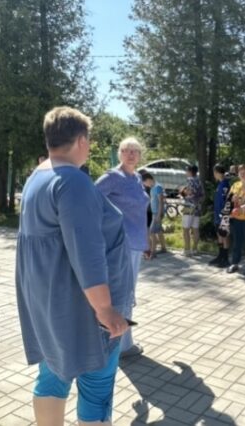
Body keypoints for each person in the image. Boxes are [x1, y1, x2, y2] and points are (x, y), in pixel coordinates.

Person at [15, 106, 131, 425]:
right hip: (84, 310)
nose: (89, 147)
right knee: (96, 385)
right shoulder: (73, 182)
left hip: (51, 305)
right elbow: (86, 251)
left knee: (52, 376)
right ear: (81, 140)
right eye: (89, 141)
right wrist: (105, 309)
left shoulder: (38, 177)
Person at [96, 137, 150, 360]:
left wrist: (146, 242)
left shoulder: (136, 178)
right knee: (122, 293)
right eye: (126, 150)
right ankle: (120, 345)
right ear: (119, 154)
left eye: (135, 151)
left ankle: (122, 341)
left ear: (140, 156)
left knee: (128, 292)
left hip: (136, 244)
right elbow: (90, 201)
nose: (130, 154)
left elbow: (139, 213)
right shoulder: (112, 177)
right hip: (120, 244)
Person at [226, 165, 245, 274]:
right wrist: (232, 200)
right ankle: (235, 263)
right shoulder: (235, 185)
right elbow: (228, 200)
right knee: (236, 241)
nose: (242, 174)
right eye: (240, 172)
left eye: (244, 172)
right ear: (237, 174)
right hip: (236, 217)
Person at [209, 164, 232, 268]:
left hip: (224, 214)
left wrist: (225, 214)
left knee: (224, 235)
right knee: (219, 234)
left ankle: (225, 258)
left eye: (214, 172)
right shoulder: (220, 184)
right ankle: (220, 255)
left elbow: (227, 201)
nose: (214, 174)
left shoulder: (225, 185)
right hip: (217, 214)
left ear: (217, 173)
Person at [180, 165, 205, 256]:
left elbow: (189, 193)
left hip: (189, 206)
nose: (186, 172)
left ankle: (187, 250)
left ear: (190, 171)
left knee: (185, 229)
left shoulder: (189, 180)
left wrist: (182, 191)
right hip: (197, 207)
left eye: (186, 171)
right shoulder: (199, 181)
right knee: (195, 229)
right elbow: (203, 195)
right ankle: (195, 249)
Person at [145, 172, 168, 255]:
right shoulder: (152, 187)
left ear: (148, 180)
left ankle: (153, 252)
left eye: (145, 183)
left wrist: (158, 215)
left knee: (152, 232)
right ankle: (163, 248)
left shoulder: (158, 187)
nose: (146, 185)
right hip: (154, 212)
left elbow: (161, 202)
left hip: (157, 213)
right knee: (159, 231)